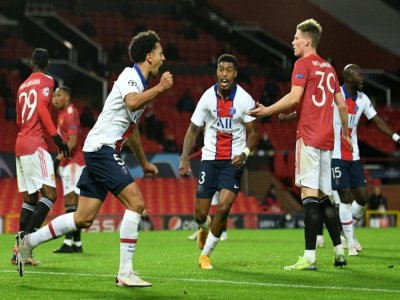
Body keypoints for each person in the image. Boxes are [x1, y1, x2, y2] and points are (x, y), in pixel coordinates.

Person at [16, 30, 173, 288]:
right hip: (102, 148)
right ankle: (125, 272)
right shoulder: (129, 76)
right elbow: (132, 103)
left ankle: (28, 242)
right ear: (149, 56)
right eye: (160, 53)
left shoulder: (140, 85)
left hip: (98, 148)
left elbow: (131, 130)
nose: (163, 58)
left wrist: (144, 163)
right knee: (136, 203)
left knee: (83, 218)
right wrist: (161, 88)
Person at [248, 19, 352, 270]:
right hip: (327, 140)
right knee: (325, 197)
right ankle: (339, 253)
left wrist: (268, 111)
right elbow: (339, 104)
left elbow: (295, 96)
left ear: (307, 40)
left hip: (308, 137)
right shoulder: (329, 69)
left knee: (308, 196)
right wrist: (346, 133)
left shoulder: (302, 64)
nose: (293, 41)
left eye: (296, 37)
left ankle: (309, 257)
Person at [179, 54, 258, 269]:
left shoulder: (244, 99)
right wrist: (185, 158)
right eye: (221, 69)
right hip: (209, 160)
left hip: (233, 162)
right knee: (200, 214)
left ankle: (205, 255)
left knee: (223, 208)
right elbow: (193, 128)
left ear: (235, 74)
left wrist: (245, 153)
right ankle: (203, 228)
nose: (224, 74)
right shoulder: (206, 97)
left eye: (229, 70)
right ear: (217, 72)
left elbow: (253, 132)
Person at [331, 64, 400, 255]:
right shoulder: (334, 95)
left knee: (362, 198)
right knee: (345, 197)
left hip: (353, 155)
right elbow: (315, 111)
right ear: (349, 78)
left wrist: (396, 137)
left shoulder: (362, 99)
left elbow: (377, 120)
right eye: (359, 75)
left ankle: (347, 232)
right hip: (335, 153)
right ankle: (350, 242)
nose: (363, 78)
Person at [12, 48, 70, 266]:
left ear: (31, 63)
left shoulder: (21, 87)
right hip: (36, 144)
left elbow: (19, 120)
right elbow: (42, 109)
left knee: (30, 199)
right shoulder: (46, 80)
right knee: (51, 194)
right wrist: (56, 137)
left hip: (20, 143)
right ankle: (25, 245)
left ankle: (19, 253)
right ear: (47, 64)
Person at [52, 86, 85, 253]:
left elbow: (72, 142)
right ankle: (76, 244)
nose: (55, 99)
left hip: (73, 162)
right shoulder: (62, 114)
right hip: (69, 162)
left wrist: (57, 160)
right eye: (53, 96)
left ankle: (68, 242)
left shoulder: (70, 113)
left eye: (58, 95)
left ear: (67, 97)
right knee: (74, 203)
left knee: (71, 202)